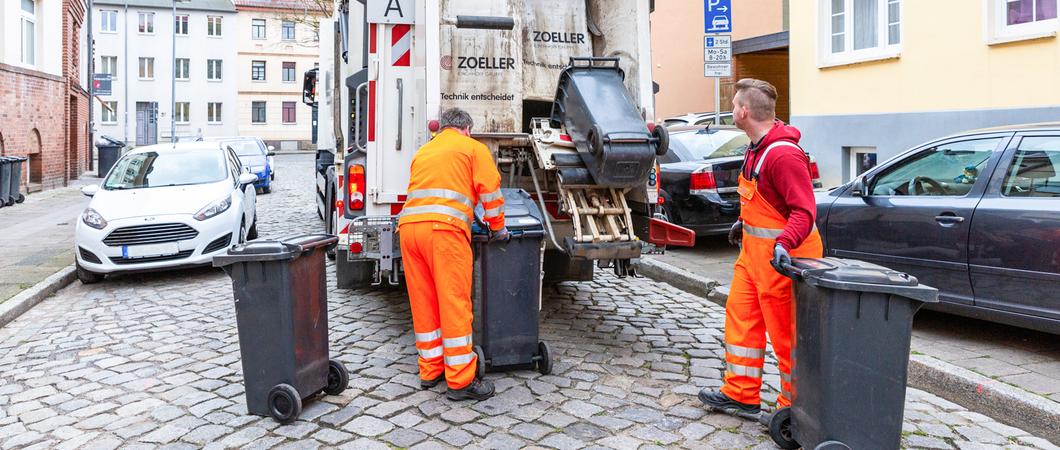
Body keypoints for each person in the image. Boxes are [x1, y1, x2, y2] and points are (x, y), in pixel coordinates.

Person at [699, 79, 824, 417]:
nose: (732, 111)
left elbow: (804, 211)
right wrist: (743, 223)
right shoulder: (756, 148)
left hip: (784, 260)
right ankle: (741, 394)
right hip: (754, 257)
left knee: (787, 336)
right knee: (741, 320)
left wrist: (784, 243)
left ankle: (796, 409)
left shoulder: (782, 155)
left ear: (743, 112)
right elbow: (768, 202)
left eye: (734, 105)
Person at [398, 108, 509, 401]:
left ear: (441, 128)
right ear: (467, 129)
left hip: (409, 231)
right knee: (453, 302)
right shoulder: (473, 148)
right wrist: (498, 227)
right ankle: (460, 380)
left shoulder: (424, 151)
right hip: (443, 233)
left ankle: (430, 369)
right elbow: (490, 191)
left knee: (424, 302)